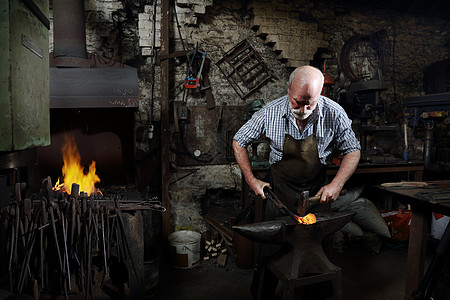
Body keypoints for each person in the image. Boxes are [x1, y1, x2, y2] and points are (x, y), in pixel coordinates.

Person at [232, 65, 361, 299]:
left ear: (320, 94)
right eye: (297, 102)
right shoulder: (269, 113)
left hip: (316, 194)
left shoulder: (334, 113)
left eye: (310, 103)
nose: (303, 109)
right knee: (270, 253)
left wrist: (336, 184)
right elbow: (238, 141)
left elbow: (353, 150)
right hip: (279, 194)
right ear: (288, 88)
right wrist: (253, 181)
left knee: (316, 252)